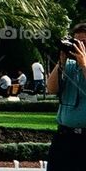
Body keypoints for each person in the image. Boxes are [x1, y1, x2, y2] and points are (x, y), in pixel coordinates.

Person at [45, 22, 86, 170]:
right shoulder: (68, 65)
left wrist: (84, 65)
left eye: (84, 43)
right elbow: (51, 88)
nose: (78, 47)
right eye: (76, 42)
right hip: (64, 137)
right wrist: (61, 62)